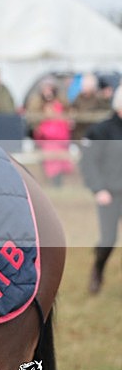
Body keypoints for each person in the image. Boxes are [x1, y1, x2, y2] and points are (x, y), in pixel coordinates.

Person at [80, 85, 122, 294]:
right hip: (110, 195)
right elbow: (88, 163)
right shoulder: (101, 130)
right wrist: (98, 189)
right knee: (108, 240)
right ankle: (97, 271)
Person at [33, 83, 74, 187]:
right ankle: (53, 184)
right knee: (50, 164)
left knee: (60, 164)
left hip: (59, 139)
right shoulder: (39, 106)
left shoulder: (60, 105)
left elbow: (66, 120)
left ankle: (58, 184)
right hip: (48, 140)